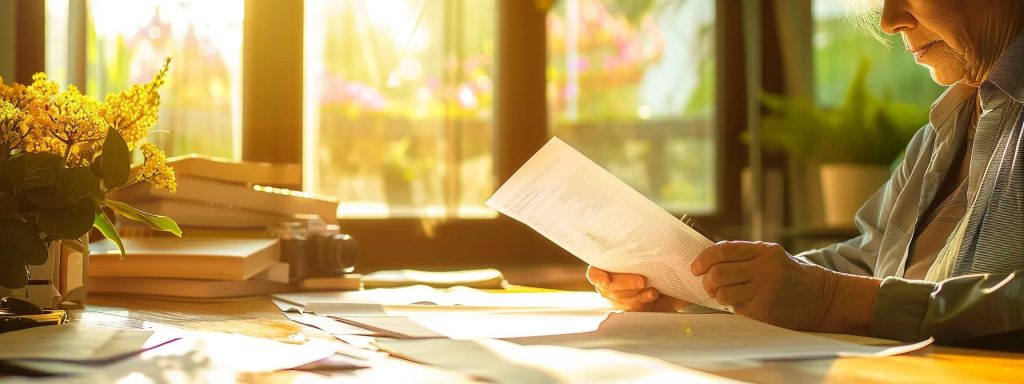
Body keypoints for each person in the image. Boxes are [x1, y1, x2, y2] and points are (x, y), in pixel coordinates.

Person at [588, 0, 1024, 350]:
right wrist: (705, 286)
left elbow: (843, 293)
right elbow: (869, 262)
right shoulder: (943, 130)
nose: (889, 20)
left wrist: (833, 301)